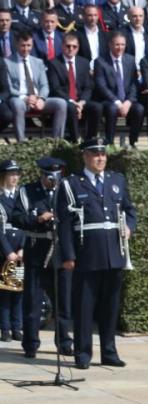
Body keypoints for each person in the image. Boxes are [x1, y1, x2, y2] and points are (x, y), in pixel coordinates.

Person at [57, 137, 136, 370]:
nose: (100, 158)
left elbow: (129, 210)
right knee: (84, 307)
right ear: (85, 156)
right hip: (86, 254)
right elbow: (64, 224)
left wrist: (130, 225)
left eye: (102, 154)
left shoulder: (116, 180)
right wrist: (69, 255)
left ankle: (109, 351)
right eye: (95, 154)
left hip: (114, 252)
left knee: (110, 306)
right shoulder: (71, 184)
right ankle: (82, 353)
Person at [15, 157, 71, 359]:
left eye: (56, 176)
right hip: (37, 251)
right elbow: (17, 216)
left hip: (59, 251)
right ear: (42, 175)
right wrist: (37, 219)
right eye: (49, 177)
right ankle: (30, 343)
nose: (52, 181)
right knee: (32, 301)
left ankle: (64, 341)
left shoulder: (65, 191)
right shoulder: (27, 191)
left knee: (63, 300)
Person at [7, 30, 69, 140]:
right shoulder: (7, 62)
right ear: (16, 44)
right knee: (17, 104)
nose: (26, 49)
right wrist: (25, 98)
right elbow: (7, 87)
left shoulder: (38, 62)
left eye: (29, 45)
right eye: (23, 45)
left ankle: (57, 142)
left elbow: (44, 85)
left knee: (61, 103)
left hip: (37, 98)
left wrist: (41, 98)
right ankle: (21, 143)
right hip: (19, 98)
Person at [47, 33, 101, 142]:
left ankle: (90, 140)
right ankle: (75, 140)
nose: (71, 49)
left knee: (97, 107)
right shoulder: (54, 63)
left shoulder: (84, 62)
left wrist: (82, 102)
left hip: (80, 100)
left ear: (78, 48)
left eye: (74, 46)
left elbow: (88, 87)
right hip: (65, 100)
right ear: (62, 46)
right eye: (68, 46)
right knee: (71, 107)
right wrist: (72, 101)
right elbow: (55, 88)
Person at [94, 32, 145, 146]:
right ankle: (110, 142)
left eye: (123, 45)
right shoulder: (100, 61)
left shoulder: (130, 60)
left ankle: (133, 142)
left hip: (126, 99)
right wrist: (117, 102)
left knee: (139, 109)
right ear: (110, 45)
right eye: (117, 44)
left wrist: (128, 101)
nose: (120, 47)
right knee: (112, 109)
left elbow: (134, 83)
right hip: (109, 100)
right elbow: (101, 86)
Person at [0, 161, 23, 343]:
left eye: (17, 174)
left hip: (19, 251)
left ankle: (17, 327)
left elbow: (25, 223)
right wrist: (8, 251)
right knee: (4, 292)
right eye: (11, 174)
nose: (14, 177)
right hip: (4, 251)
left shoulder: (22, 197)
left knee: (18, 291)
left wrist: (22, 248)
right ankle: (5, 328)